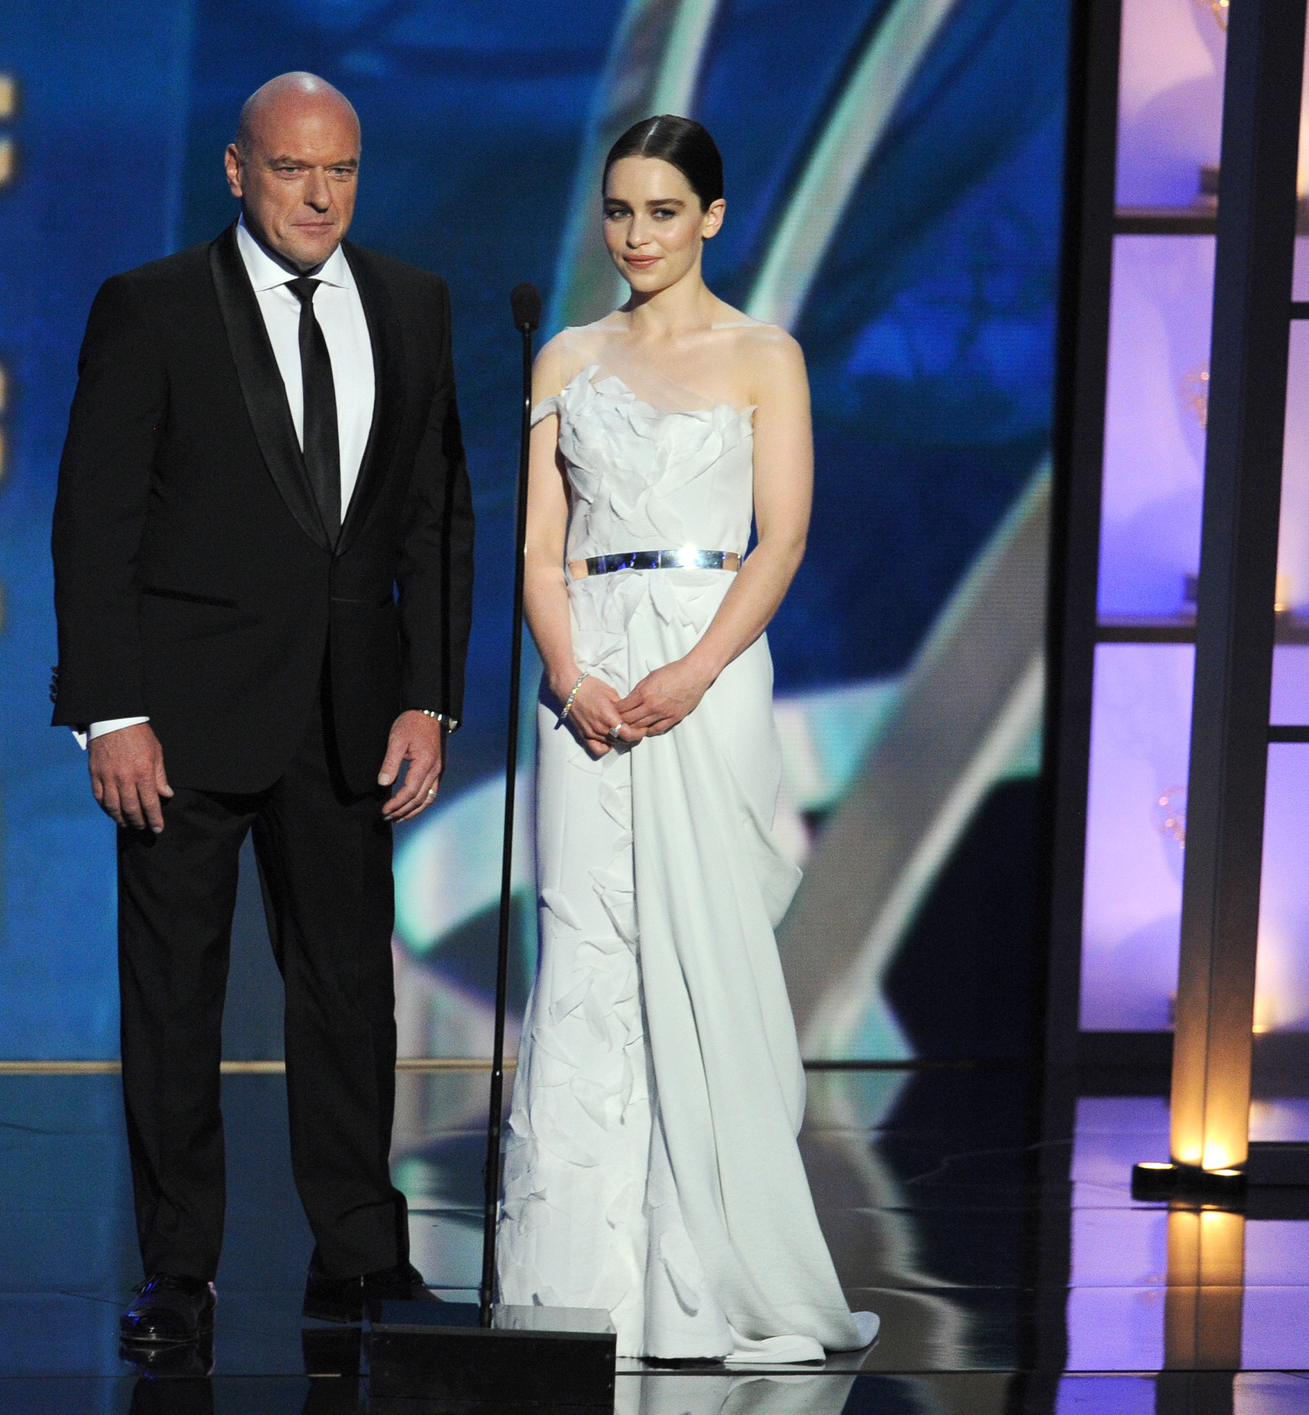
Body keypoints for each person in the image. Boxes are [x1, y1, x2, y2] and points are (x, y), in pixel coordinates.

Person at [50, 72, 473, 1345]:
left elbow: (434, 520)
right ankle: (178, 1268)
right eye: (293, 170)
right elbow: (94, 521)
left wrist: (430, 700)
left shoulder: (412, 303)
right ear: (238, 171)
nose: (318, 194)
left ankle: (358, 1253)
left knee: (348, 989)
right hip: (179, 723)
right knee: (176, 995)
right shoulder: (153, 307)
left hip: (350, 715)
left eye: (339, 170)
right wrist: (109, 709)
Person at [496, 115, 878, 1365]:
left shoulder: (763, 356)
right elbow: (540, 546)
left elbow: (781, 540)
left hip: (706, 662)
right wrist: (570, 670)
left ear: (710, 216)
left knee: (699, 951)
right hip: (588, 674)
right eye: (618, 210)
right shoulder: (563, 356)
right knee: (588, 944)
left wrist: (693, 669)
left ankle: (705, 1279)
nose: (637, 234)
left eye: (662, 210)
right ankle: (574, 1287)